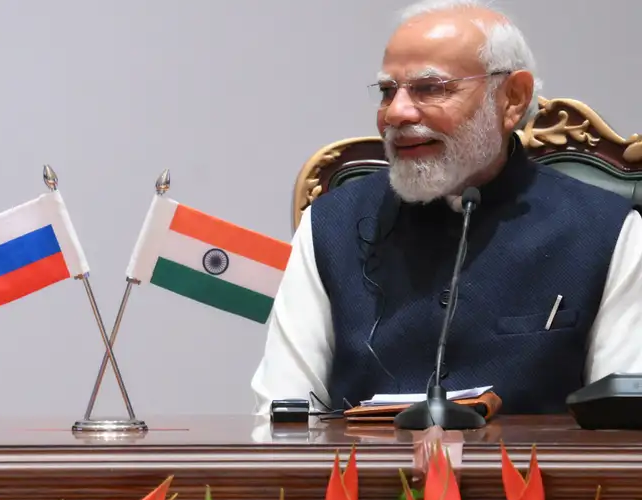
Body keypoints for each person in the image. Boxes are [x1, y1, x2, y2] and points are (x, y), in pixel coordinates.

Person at [251, 0, 642, 415]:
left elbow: (623, 424)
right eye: (387, 91)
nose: (396, 113)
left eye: (430, 88)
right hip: (362, 461)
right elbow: (284, 416)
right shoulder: (331, 225)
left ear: (512, 98)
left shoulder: (607, 231)